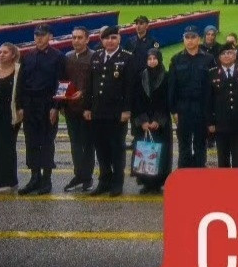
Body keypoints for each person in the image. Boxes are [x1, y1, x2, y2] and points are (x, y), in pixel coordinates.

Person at [84, 25, 137, 196]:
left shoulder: (127, 58)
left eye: (114, 37)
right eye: (107, 38)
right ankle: (104, 181)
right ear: (101, 40)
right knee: (101, 148)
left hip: (117, 112)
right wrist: (87, 107)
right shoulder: (97, 56)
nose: (110, 41)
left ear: (119, 39)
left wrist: (127, 110)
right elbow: (90, 85)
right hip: (98, 111)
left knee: (117, 148)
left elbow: (130, 87)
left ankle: (117, 183)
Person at [15, 23, 65, 195]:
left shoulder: (57, 57)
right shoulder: (28, 56)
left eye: (42, 35)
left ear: (50, 37)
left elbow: (61, 83)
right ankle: (34, 177)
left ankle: (46, 179)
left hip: (47, 104)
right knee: (31, 142)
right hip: (30, 104)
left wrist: (56, 107)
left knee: (46, 142)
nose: (39, 38)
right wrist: (20, 106)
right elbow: (21, 83)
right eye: (36, 35)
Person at [167, 25, 212, 169]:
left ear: (199, 39)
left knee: (200, 145)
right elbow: (172, 87)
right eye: (187, 37)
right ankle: (184, 176)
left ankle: (199, 176)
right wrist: (173, 110)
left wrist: (210, 111)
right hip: (183, 108)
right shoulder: (176, 59)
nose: (190, 40)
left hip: (201, 108)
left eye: (193, 37)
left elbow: (212, 88)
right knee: (184, 146)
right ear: (183, 39)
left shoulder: (208, 59)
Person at [131, 48, 172, 194]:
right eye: (149, 59)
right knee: (144, 152)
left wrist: (157, 120)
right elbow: (135, 100)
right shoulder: (140, 77)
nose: (152, 61)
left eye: (154, 59)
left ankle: (157, 183)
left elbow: (168, 100)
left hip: (160, 123)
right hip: (144, 123)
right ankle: (146, 183)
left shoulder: (166, 77)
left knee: (161, 153)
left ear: (159, 60)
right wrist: (143, 121)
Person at [61, 26, 94, 192]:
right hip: (70, 108)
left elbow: (96, 83)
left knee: (87, 144)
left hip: (87, 109)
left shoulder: (94, 57)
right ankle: (78, 175)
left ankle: (87, 177)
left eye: (80, 37)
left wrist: (84, 93)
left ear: (87, 39)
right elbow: (62, 81)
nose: (76, 41)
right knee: (75, 144)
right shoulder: (67, 57)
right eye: (74, 37)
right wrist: (61, 103)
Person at [0, 43, 21, 194]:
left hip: (9, 115)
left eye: (5, 52)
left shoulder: (19, 70)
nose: (1, 55)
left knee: (7, 148)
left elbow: (22, 91)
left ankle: (9, 182)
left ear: (13, 55)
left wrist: (21, 110)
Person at [207, 44, 238, 168]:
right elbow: (208, 99)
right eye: (223, 54)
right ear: (219, 57)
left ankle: (237, 180)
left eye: (229, 53)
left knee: (237, 157)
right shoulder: (212, 73)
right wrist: (210, 122)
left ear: (235, 55)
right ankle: (223, 180)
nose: (226, 56)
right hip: (220, 121)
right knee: (222, 157)